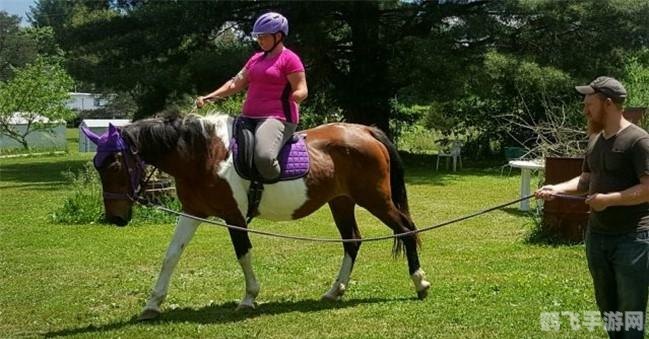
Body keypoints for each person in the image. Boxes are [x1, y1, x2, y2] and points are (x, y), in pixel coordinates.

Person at [535, 76, 649, 339]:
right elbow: (586, 179)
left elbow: (647, 189)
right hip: (598, 237)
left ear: (608, 104)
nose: (584, 109)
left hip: (633, 238)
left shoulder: (638, 141)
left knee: (630, 310)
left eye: (589, 104)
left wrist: (609, 199)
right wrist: (557, 189)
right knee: (608, 308)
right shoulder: (595, 140)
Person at [197, 12, 308, 181]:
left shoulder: (290, 59)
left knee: (263, 157)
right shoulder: (255, 59)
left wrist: (297, 96)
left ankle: (278, 190)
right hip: (248, 117)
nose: (259, 40)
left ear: (278, 36)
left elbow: (302, 88)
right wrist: (209, 97)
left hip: (277, 118)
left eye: (263, 37)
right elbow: (235, 83)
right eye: (258, 37)